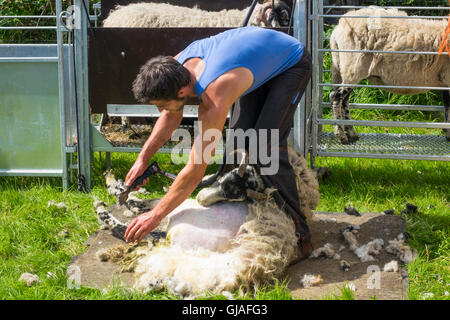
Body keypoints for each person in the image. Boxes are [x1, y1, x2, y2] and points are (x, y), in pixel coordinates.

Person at [124, 26, 313, 261]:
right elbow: (171, 115)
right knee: (239, 140)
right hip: (256, 60)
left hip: (290, 63)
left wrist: (154, 216)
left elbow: (195, 169)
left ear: (182, 91)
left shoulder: (214, 96)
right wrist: (143, 158)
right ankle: (243, 200)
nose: (160, 110)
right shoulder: (173, 67)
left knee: (264, 148)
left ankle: (300, 236)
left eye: (161, 104)